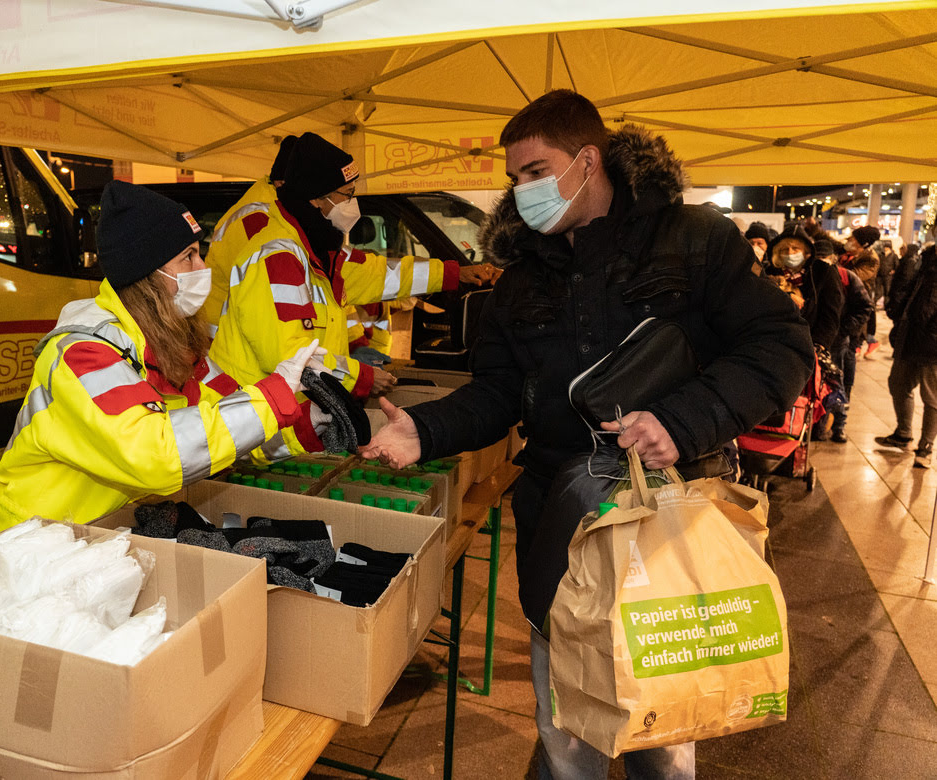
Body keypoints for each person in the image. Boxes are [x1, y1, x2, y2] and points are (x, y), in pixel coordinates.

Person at [360, 89, 813, 780]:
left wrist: (682, 421)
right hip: (561, 521)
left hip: (670, 518)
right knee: (566, 722)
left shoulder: (693, 239)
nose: (524, 192)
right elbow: (500, 392)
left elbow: (779, 348)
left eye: (537, 171)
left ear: (588, 160)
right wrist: (425, 430)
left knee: (665, 728)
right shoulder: (520, 278)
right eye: (515, 179)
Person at [0, 182, 331, 536]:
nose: (202, 267)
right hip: (30, 542)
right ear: (146, 274)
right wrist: (273, 398)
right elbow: (156, 454)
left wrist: (308, 420)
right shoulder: (84, 353)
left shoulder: (176, 348)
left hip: (98, 534)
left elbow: (226, 426)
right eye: (188, 257)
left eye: (199, 253)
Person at [208, 131, 495, 400]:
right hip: (255, 412)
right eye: (347, 194)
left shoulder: (315, 248)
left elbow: (376, 273)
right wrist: (357, 376)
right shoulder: (277, 256)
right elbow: (287, 355)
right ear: (316, 199)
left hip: (286, 407)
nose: (352, 203)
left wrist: (453, 274)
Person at [202, 135, 298, 331]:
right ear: (281, 182)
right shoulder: (261, 217)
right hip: (225, 328)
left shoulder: (268, 206)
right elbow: (263, 287)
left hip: (226, 321)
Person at [876, 244, 937, 468]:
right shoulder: (926, 258)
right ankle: (903, 433)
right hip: (911, 334)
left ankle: (926, 446)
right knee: (898, 384)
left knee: (932, 396)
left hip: (933, 342)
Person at [813, 236, 872, 442]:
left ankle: (838, 426)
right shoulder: (810, 276)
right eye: (817, 257)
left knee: (837, 384)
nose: (821, 261)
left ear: (833, 258)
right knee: (816, 386)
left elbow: (865, 307)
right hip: (816, 340)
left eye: (825, 257)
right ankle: (818, 427)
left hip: (837, 342)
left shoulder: (846, 277)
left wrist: (843, 329)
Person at [842, 225, 882, 355]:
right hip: (846, 306)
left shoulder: (870, 259)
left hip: (856, 308)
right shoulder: (850, 255)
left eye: (853, 239)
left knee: (849, 352)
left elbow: (852, 276)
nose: (848, 240)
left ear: (862, 244)